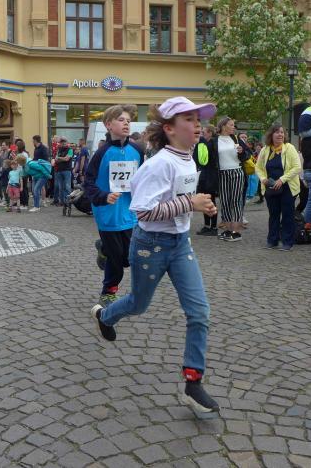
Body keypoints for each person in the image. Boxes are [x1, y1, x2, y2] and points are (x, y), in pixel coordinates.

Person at [91, 97, 220, 416]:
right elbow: (143, 211)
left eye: (198, 119)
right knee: (139, 303)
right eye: (189, 119)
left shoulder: (188, 158)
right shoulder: (159, 164)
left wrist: (199, 203)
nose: (197, 125)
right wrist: (190, 204)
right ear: (169, 128)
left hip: (180, 244)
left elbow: (179, 199)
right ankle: (105, 316)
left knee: (199, 312)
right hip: (150, 244)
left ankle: (193, 382)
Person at [83, 104, 144, 305]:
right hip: (108, 213)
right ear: (108, 125)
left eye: (128, 120)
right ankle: (109, 291)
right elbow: (88, 183)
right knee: (116, 259)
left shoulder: (137, 150)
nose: (126, 123)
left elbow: (142, 179)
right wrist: (103, 196)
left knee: (128, 258)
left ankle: (103, 248)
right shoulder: (102, 153)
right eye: (121, 120)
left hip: (129, 213)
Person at [255, 124, 302, 251]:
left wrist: (282, 179)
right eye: (277, 132)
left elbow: (297, 167)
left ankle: (287, 242)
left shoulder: (289, 148)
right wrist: (263, 178)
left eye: (282, 132)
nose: (280, 134)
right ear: (271, 135)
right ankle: (272, 240)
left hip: (287, 187)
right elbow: (258, 167)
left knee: (287, 215)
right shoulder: (265, 150)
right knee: (273, 214)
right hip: (271, 188)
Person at [205, 116, 252, 241]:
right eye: (231, 125)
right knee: (225, 202)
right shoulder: (214, 141)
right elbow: (209, 159)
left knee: (235, 202)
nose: (233, 127)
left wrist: (242, 152)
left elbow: (248, 154)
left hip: (236, 172)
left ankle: (236, 232)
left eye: (233, 125)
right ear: (223, 126)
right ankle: (228, 230)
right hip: (222, 173)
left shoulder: (236, 139)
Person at [194, 125, 217, 236]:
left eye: (204, 133)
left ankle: (214, 227)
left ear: (210, 133)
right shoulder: (202, 144)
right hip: (204, 176)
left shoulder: (213, 143)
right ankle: (207, 226)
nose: (201, 135)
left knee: (211, 201)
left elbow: (207, 159)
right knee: (204, 201)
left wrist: (201, 141)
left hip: (211, 177)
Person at [53, 137, 74, 210]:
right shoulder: (59, 150)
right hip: (59, 170)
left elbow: (67, 159)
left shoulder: (70, 150)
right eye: (62, 142)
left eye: (64, 142)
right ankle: (62, 202)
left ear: (67, 142)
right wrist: (61, 158)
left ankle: (68, 202)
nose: (63, 143)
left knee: (67, 187)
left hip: (67, 170)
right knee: (60, 187)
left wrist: (59, 158)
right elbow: (56, 160)